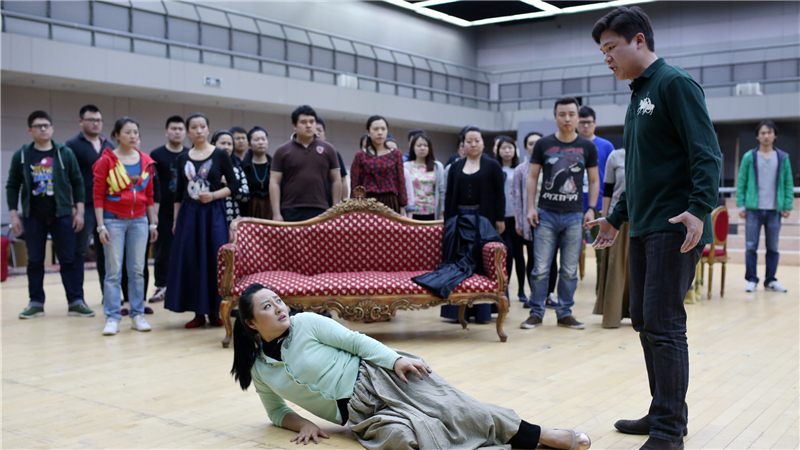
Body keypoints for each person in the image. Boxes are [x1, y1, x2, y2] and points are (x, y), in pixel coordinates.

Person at [230, 283, 592, 450]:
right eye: (267, 306)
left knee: (454, 409)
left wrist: (396, 359)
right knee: (406, 439)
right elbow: (276, 412)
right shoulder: (259, 370)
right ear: (250, 323)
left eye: (278, 300)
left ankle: (540, 434)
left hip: (380, 376)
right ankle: (507, 447)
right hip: (359, 416)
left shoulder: (307, 322)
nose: (279, 307)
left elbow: (356, 342)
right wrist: (305, 423)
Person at [589, 7, 722, 450]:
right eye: (603, 51)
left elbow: (707, 153)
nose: (607, 58)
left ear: (639, 40)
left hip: (675, 225)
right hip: (644, 226)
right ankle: (662, 409)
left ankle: (669, 430)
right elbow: (639, 171)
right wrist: (616, 217)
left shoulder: (674, 83)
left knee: (664, 324)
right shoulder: (637, 95)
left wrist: (699, 209)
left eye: (612, 47)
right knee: (646, 322)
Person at [521, 97, 599, 331]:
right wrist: (531, 207)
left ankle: (565, 313)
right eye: (562, 114)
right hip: (546, 214)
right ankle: (536, 312)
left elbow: (594, 180)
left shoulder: (587, 146)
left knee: (569, 270)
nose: (567, 118)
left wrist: (591, 208)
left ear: (577, 117)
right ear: (555, 117)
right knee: (540, 269)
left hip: (575, 216)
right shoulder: (543, 144)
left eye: (571, 114)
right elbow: (532, 177)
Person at [7, 110, 94, 319]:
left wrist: (80, 211)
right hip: (33, 216)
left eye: (46, 125)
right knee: (35, 260)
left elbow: (77, 182)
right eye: (38, 126)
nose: (43, 129)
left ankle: (76, 301)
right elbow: (12, 185)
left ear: (52, 128)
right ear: (30, 130)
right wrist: (13, 215)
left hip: (61, 215)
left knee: (68, 258)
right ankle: (36, 303)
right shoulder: (22, 155)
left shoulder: (64, 153)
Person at [166, 113, 240, 328]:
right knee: (191, 260)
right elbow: (178, 192)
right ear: (188, 132)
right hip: (189, 215)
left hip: (213, 213)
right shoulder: (182, 158)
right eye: (194, 127)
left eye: (202, 126)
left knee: (215, 260)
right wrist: (175, 220)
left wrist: (214, 195)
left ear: (208, 129)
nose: (198, 130)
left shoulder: (220, 155)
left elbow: (234, 185)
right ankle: (198, 313)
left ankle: (216, 311)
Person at [93, 117, 158, 335]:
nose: (133, 136)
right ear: (117, 135)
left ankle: (137, 315)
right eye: (128, 132)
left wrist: (152, 224)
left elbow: (149, 195)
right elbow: (98, 194)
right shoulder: (107, 160)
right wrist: (101, 226)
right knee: (113, 271)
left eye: (136, 132)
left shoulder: (146, 160)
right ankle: (112, 317)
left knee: (137, 270)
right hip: (113, 221)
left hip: (140, 221)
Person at [442, 126, 505, 323]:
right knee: (459, 263)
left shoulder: (493, 165)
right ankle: (456, 312)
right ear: (463, 144)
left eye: (477, 140)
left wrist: (500, 219)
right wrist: (448, 221)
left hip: (484, 220)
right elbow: (449, 195)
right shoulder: (455, 167)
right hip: (459, 221)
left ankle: (483, 311)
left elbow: (500, 195)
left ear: (483, 143)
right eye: (469, 141)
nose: (473, 144)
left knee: (482, 263)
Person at [737, 120, 793, 293]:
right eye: (762, 133)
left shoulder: (783, 157)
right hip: (753, 209)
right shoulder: (749, 157)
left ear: (775, 135)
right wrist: (741, 204)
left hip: (774, 210)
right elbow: (742, 181)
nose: (766, 136)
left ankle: (770, 280)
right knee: (750, 247)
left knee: (773, 248)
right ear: (757, 136)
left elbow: (788, 183)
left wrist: (787, 204)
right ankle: (751, 279)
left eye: (769, 132)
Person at [66, 105, 114, 294]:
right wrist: (73, 206)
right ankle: (77, 297)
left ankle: (108, 295)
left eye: (99, 120)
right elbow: (68, 179)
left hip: (107, 205)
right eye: (91, 120)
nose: (96, 124)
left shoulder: (109, 146)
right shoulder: (71, 145)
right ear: (81, 122)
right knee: (79, 250)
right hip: (83, 205)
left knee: (106, 250)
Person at [270, 105, 341, 222]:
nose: (308, 125)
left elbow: (336, 180)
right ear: (294, 125)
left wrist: (336, 209)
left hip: (321, 209)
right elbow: (274, 182)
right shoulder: (282, 150)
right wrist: (276, 213)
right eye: (303, 122)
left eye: (312, 122)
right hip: (290, 209)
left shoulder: (329, 149)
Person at [148, 115, 189, 303]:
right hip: (163, 210)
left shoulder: (190, 154)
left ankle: (183, 287)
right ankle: (161, 286)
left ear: (185, 132)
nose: (177, 132)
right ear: (166, 132)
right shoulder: (156, 155)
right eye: (173, 129)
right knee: (162, 251)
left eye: (180, 129)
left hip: (186, 210)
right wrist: (153, 213)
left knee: (186, 250)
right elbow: (152, 185)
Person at [578, 106, 615, 293]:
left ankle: (601, 293)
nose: (585, 126)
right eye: (582, 122)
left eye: (589, 122)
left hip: (599, 207)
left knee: (602, 252)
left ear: (595, 123)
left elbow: (613, 178)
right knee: (569, 253)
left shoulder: (606, 146)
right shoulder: (571, 145)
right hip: (573, 207)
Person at [593, 147, 630, 328]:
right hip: (618, 216)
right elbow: (607, 190)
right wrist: (607, 218)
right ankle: (613, 315)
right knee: (616, 265)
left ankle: (639, 314)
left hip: (644, 216)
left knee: (639, 266)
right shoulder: (615, 156)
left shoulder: (652, 151)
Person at [350, 116, 408, 215]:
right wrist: (353, 207)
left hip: (390, 202)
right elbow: (355, 185)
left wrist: (402, 206)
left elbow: (401, 182)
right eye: (376, 129)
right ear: (368, 132)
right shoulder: (360, 156)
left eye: (383, 129)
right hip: (367, 204)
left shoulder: (396, 154)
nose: (380, 132)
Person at [509, 132, 542, 306]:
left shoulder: (550, 167)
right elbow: (515, 196)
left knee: (548, 260)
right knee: (531, 258)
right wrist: (518, 221)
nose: (534, 146)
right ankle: (533, 295)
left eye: (538, 142)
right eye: (530, 143)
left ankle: (548, 294)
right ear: (525, 147)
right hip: (528, 221)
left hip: (549, 220)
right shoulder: (521, 169)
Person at [496, 135, 527, 303]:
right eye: (503, 148)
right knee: (505, 255)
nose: (507, 151)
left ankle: (522, 290)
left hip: (517, 218)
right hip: (501, 218)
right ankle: (504, 290)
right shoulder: (495, 168)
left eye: (510, 147)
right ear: (498, 150)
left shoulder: (519, 169)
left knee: (518, 255)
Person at [210, 130, 250, 225]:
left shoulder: (237, 169)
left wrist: (231, 185)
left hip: (233, 219)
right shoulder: (208, 168)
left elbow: (246, 196)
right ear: (213, 144)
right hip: (211, 215)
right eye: (223, 143)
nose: (226, 147)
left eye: (229, 144)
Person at [404, 133, 445, 220]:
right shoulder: (406, 166)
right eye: (419, 145)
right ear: (413, 147)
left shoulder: (437, 166)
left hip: (432, 212)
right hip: (412, 213)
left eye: (425, 145)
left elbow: (442, 191)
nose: (422, 148)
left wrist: (441, 213)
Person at [240, 126, 272, 219]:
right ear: (249, 145)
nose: (261, 142)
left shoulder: (274, 165)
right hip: (249, 209)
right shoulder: (243, 166)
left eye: (263, 139)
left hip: (270, 208)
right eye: (256, 140)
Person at [316, 117, 349, 204]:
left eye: (319, 130)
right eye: (314, 130)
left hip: (331, 202)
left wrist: (344, 202)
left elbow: (343, 179)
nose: (317, 133)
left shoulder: (333, 153)